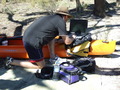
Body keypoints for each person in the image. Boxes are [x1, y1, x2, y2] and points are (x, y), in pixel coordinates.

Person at [4, 6, 76, 69]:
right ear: (66, 16)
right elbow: (67, 42)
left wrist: (52, 56)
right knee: (41, 66)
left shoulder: (51, 18)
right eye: (68, 18)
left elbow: (51, 37)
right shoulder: (61, 21)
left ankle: (52, 57)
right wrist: (73, 37)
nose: (67, 20)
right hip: (33, 42)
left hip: (28, 37)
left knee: (52, 39)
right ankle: (11, 61)